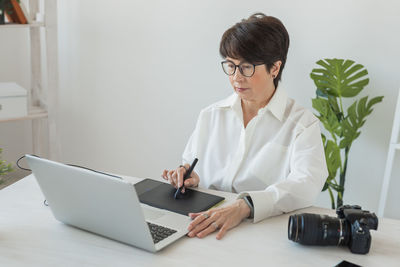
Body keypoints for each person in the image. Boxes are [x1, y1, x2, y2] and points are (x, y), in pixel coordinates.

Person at [161, 13, 328, 240]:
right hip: (201, 225)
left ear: (275, 68)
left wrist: (246, 205)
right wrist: (188, 175)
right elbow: (192, 164)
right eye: (231, 66)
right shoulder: (211, 115)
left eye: (247, 67)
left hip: (260, 233)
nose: (236, 78)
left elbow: (306, 185)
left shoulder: (302, 124)